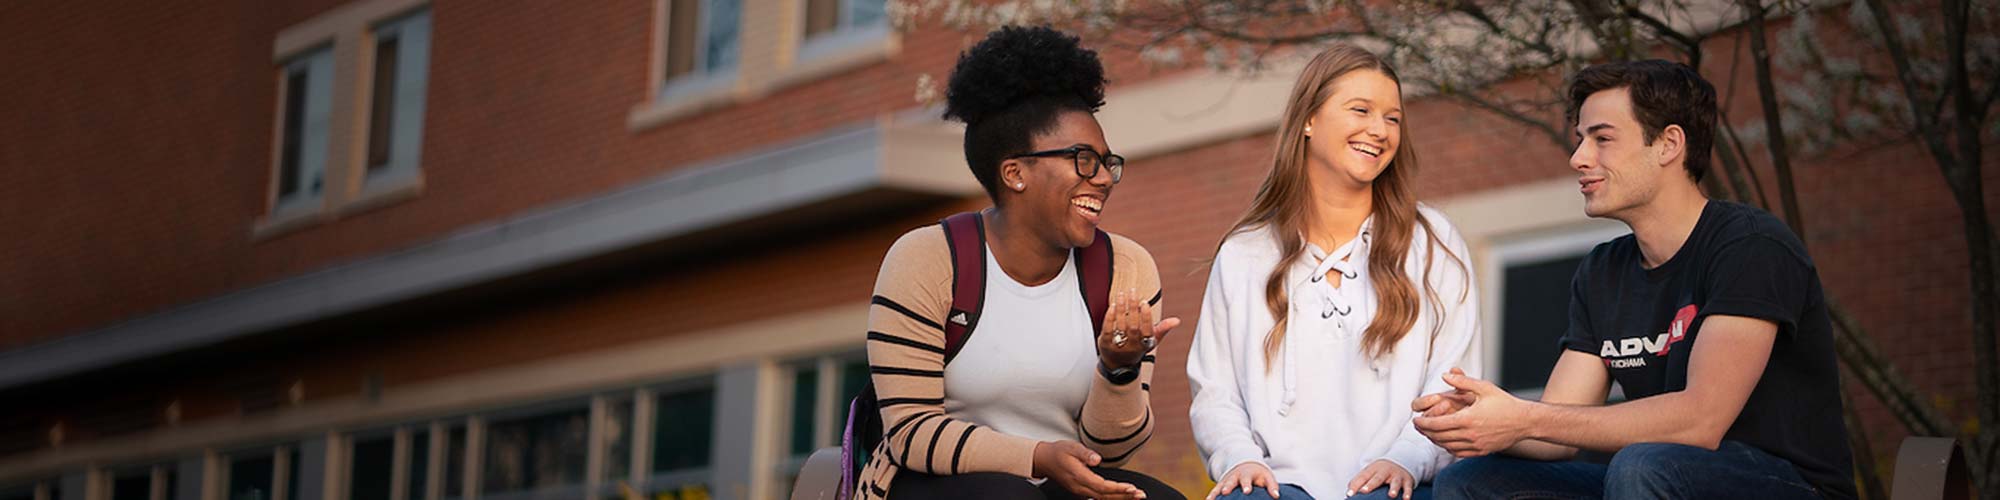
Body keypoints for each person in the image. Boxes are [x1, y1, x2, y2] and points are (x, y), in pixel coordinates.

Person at [1415, 59, 1858, 500]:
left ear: (1668, 144)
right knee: (1469, 481)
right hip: (1657, 476)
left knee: (1643, 464)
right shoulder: (1603, 271)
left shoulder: (1750, 246)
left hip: (1791, 486)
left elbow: (1700, 421)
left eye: (1602, 138)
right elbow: (1557, 433)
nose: (1578, 159)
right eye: (1580, 140)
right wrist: (1485, 418)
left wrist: (1527, 417)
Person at [852, 25, 1184, 500]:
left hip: (1055, 484)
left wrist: (1119, 370)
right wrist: (1035, 456)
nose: (1105, 180)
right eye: (1084, 160)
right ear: (1015, 173)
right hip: (930, 483)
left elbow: (1109, 455)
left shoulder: (1125, 269)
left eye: (1108, 163)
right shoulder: (928, 260)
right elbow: (911, 432)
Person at [1187, 43, 1478, 500]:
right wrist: (1239, 458)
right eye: (1360, 109)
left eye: (1393, 118)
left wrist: (1405, 459)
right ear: (1309, 119)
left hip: (1396, 484)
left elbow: (1451, 384)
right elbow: (1214, 391)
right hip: (1279, 487)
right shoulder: (1245, 253)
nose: (1379, 130)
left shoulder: (1432, 242)